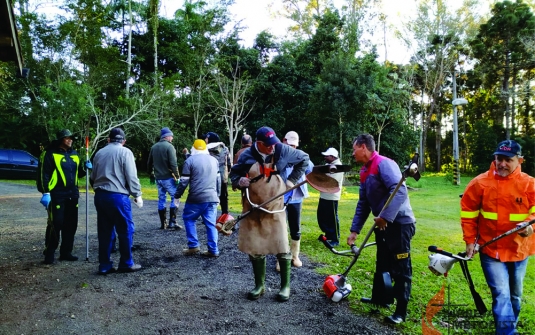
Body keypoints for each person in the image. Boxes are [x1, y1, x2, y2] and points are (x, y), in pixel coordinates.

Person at [461, 140, 535, 335]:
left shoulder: (529, 184)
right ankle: (507, 332)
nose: (501, 164)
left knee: (515, 295)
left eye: (507, 160)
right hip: (490, 250)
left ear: (520, 160)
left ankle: (510, 325)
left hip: (519, 249)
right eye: (498, 159)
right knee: (501, 293)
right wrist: (470, 241)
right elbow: (468, 213)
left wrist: (530, 226)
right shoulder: (479, 183)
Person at [229, 126, 310, 302]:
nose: (272, 147)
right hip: (253, 207)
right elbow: (233, 174)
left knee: (282, 245)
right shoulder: (246, 156)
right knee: (256, 248)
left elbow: (304, 159)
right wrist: (238, 180)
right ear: (259, 143)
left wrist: (290, 182)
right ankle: (260, 286)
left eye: (274, 143)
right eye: (268, 145)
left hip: (276, 207)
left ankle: (285, 287)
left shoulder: (282, 149)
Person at [347, 134, 416, 324]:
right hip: (382, 223)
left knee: (401, 267)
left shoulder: (384, 164)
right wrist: (355, 230)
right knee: (382, 262)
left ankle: (401, 311)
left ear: (363, 147)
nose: (353, 153)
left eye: (354, 149)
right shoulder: (364, 171)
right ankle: (381, 298)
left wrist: (386, 216)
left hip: (400, 223)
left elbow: (400, 190)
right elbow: (363, 203)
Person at [90, 128, 143, 274]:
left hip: (100, 195)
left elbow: (92, 177)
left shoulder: (99, 153)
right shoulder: (125, 152)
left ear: (108, 139)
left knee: (105, 231)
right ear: (123, 141)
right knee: (125, 229)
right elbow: (131, 176)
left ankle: (104, 265)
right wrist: (137, 194)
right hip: (117, 196)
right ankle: (126, 263)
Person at [37, 129, 91, 264]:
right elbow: (43, 174)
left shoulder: (75, 154)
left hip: (73, 194)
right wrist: (45, 192)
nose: (70, 140)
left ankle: (66, 252)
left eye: (71, 138)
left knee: (71, 224)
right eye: (67, 138)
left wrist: (85, 168)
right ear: (61, 140)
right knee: (56, 223)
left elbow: (79, 174)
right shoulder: (49, 154)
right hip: (56, 194)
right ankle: (49, 252)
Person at [174, 139, 220, 257]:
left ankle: (193, 246)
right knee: (211, 223)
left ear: (193, 148)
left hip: (196, 197)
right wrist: (217, 195)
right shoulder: (214, 160)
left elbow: (184, 182)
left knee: (189, 218)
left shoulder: (190, 161)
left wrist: (177, 195)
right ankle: (213, 250)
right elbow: (218, 181)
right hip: (212, 197)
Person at [278, 131, 314, 270]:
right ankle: (281, 258)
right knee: (281, 228)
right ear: (284, 141)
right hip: (280, 198)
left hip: (296, 199)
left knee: (295, 228)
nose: (292, 148)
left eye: (294, 145)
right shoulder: (278, 156)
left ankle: (294, 256)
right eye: (289, 144)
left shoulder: (303, 157)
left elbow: (311, 173)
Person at [147, 127, 182, 230]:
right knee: (175, 197)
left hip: (158, 178)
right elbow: (173, 164)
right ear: (166, 136)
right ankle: (172, 222)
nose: (172, 138)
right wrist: (177, 177)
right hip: (168, 177)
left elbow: (149, 163)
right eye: (171, 136)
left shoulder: (154, 147)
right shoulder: (169, 147)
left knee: (161, 198)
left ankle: (163, 224)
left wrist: (151, 174)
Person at [317, 147, 344, 246]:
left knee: (332, 218)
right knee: (322, 216)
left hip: (332, 196)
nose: (325, 157)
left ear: (332, 157)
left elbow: (330, 181)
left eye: (327, 156)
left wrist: (320, 178)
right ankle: (328, 235)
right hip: (324, 194)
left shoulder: (338, 167)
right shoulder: (328, 165)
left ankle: (335, 239)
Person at [205, 132, 232, 215]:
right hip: (223, 176)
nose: (205, 140)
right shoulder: (225, 149)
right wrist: (227, 172)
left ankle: (209, 215)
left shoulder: (205, 150)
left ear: (209, 139)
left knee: (210, 196)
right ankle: (225, 214)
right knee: (224, 196)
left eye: (206, 138)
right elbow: (229, 163)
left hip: (210, 177)